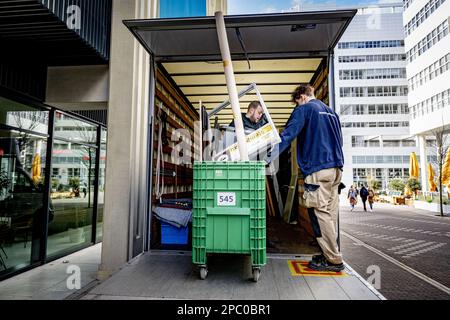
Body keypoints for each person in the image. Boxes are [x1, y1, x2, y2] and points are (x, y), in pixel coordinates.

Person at [266, 84, 345, 272]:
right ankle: (329, 253)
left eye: (296, 103)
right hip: (336, 169)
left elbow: (287, 136)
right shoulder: (331, 113)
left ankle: (333, 260)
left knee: (319, 213)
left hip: (318, 169)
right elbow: (339, 141)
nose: (296, 106)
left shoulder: (304, 109)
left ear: (301, 97)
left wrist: (266, 158)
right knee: (329, 213)